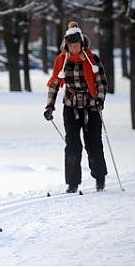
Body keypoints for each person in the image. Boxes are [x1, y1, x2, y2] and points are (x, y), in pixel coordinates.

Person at [44, 21, 108, 193]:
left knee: (93, 143)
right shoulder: (61, 61)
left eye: (76, 45)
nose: (74, 48)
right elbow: (55, 83)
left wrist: (99, 100)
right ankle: (72, 183)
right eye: (70, 45)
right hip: (71, 107)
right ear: (66, 46)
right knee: (72, 145)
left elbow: (101, 82)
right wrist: (49, 106)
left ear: (82, 44)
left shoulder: (92, 60)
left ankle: (100, 178)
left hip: (91, 107)